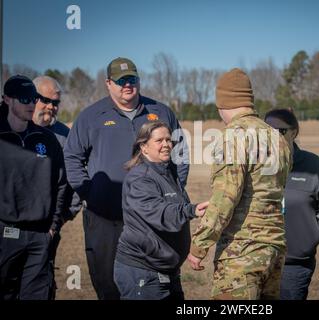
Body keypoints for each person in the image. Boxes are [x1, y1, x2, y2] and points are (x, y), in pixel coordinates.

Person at [64, 57, 190, 300]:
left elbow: (180, 155)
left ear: (139, 81)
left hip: (151, 220)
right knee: (108, 281)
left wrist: (173, 191)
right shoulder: (91, 116)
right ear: (108, 83)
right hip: (106, 218)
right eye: (120, 81)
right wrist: (90, 194)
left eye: (131, 79)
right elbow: (72, 157)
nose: (127, 85)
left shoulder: (160, 112)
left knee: (157, 280)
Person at [187, 68, 292, 300]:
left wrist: (199, 245)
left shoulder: (232, 137)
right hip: (274, 248)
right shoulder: (277, 138)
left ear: (222, 104)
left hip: (242, 252)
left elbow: (225, 198)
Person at [114, 121, 208, 300]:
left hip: (168, 271)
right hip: (142, 272)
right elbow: (159, 213)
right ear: (144, 146)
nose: (166, 144)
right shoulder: (140, 178)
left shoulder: (168, 173)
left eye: (168, 140)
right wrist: (191, 210)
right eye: (159, 140)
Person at [0, 75, 68, 299]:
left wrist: (53, 226)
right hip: (5, 234)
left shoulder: (46, 138)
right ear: (7, 99)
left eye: (33, 98)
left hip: (40, 236)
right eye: (25, 98)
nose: (31, 103)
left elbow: (61, 183)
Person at [264, 108, 319, 300]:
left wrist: (315, 234)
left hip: (294, 265)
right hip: (257, 261)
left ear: (294, 132)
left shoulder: (314, 166)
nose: (273, 137)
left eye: (280, 131)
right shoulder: (256, 165)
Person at [32, 75, 82, 299]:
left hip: (46, 228)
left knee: (41, 285)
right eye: (46, 100)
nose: (51, 107)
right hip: (9, 226)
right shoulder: (10, 128)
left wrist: (60, 219)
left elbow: (75, 179)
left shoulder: (65, 136)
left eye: (56, 103)